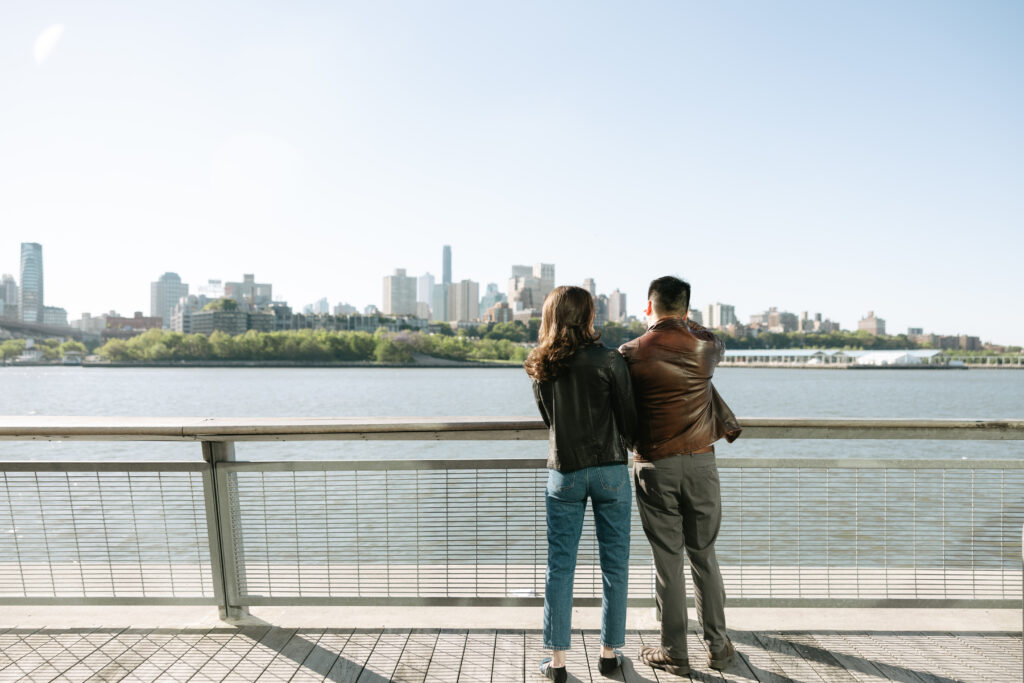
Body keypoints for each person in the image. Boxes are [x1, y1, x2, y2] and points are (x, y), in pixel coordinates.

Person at [617, 275, 742, 676]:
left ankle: (674, 651)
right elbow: (711, 336)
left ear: (648, 307)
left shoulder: (631, 352)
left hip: (655, 466)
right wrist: (687, 323)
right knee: (704, 556)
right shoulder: (706, 346)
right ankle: (719, 648)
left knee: (667, 561)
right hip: (702, 462)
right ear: (686, 312)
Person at [524, 285, 637, 683]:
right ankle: (609, 654)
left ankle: (556, 663)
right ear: (589, 315)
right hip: (609, 470)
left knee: (560, 567)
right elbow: (629, 418)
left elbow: (548, 419)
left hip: (564, 471)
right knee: (615, 565)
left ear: (550, 316)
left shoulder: (541, 363)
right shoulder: (610, 359)